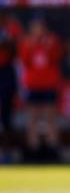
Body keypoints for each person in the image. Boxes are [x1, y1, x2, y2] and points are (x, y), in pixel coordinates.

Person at [18, 16, 62, 162]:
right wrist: (31, 45)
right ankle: (33, 150)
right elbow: (24, 60)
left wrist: (47, 45)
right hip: (32, 84)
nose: (38, 30)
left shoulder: (52, 40)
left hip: (49, 83)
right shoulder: (26, 42)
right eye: (35, 27)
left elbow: (57, 57)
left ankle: (52, 150)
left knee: (51, 117)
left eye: (40, 27)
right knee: (32, 118)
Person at [0, 12, 23, 163]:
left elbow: (17, 48)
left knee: (7, 115)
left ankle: (7, 151)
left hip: (6, 72)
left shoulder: (12, 26)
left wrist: (7, 41)